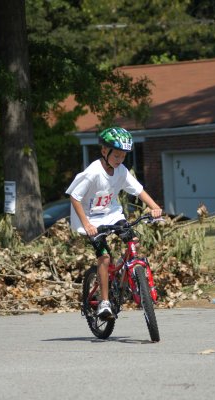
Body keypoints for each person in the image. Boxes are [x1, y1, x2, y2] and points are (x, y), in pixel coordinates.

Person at [66, 127, 162, 319]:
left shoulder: (121, 171)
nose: (120, 160)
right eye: (116, 156)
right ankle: (104, 302)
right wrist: (87, 225)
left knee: (132, 239)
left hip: (112, 214)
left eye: (123, 156)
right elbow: (74, 197)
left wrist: (155, 207)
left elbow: (138, 190)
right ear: (104, 151)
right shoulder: (93, 173)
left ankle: (127, 273)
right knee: (104, 257)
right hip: (90, 219)